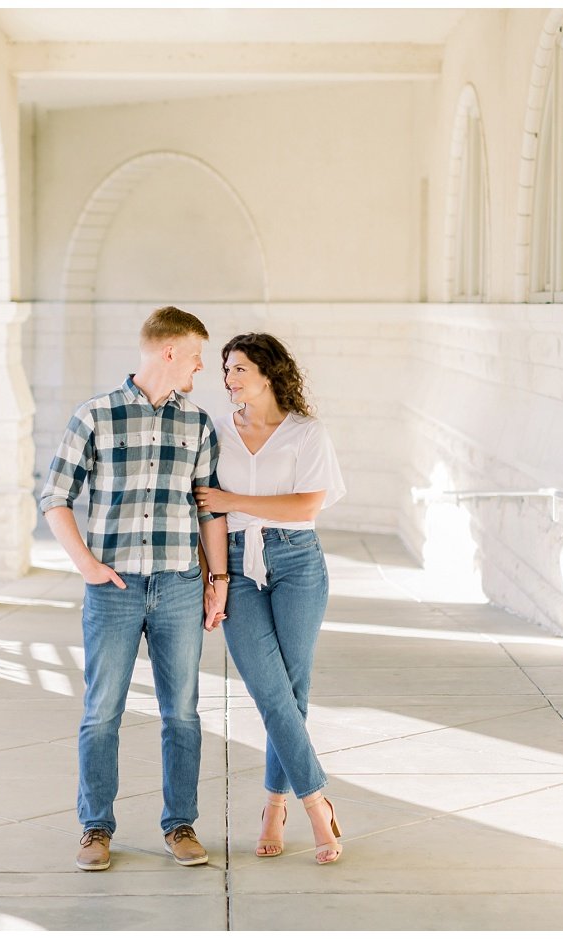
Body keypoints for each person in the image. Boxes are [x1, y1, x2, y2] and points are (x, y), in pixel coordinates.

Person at [39, 306, 230, 873]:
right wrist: (88, 566)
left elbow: (209, 510)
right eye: (196, 356)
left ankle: (181, 824)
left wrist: (216, 581)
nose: (199, 368)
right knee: (102, 712)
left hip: (178, 586)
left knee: (183, 714)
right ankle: (95, 827)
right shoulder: (94, 416)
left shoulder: (197, 424)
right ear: (170, 352)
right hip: (114, 590)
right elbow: (54, 497)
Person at [193, 333, 347, 865]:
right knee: (271, 692)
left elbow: (307, 506)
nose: (229, 379)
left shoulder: (306, 432)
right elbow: (207, 512)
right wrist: (217, 579)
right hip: (237, 564)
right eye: (226, 370)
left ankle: (274, 805)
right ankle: (316, 804)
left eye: (238, 369)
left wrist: (234, 499)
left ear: (267, 372)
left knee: (293, 689)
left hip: (297, 560)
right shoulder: (216, 434)